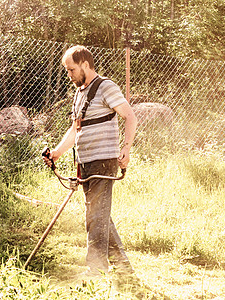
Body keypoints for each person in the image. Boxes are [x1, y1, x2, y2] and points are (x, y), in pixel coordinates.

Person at [44, 45, 137, 277]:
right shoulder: (80, 93)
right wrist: (56, 153)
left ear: (85, 64)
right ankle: (123, 267)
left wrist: (126, 148)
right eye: (67, 70)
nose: (69, 75)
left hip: (104, 162)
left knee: (95, 216)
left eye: (72, 69)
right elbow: (76, 129)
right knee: (100, 214)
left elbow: (130, 116)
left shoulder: (106, 87)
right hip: (85, 163)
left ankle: (95, 271)